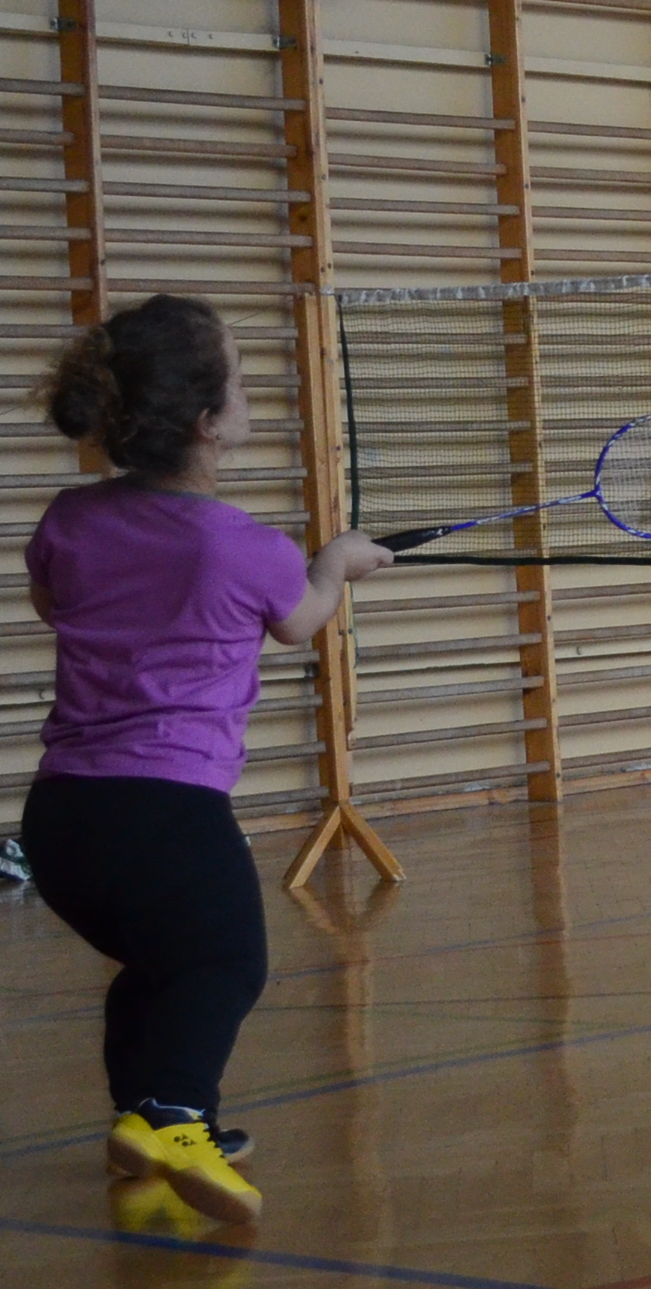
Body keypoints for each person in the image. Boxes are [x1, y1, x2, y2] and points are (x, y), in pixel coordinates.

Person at [23, 294, 388, 1223]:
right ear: (205, 422)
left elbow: (53, 604)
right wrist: (336, 564)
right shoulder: (243, 546)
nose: (251, 393)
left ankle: (144, 1118)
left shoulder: (68, 519)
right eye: (242, 380)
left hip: (61, 820)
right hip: (166, 813)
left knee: (158, 964)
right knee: (226, 962)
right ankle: (179, 1118)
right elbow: (301, 622)